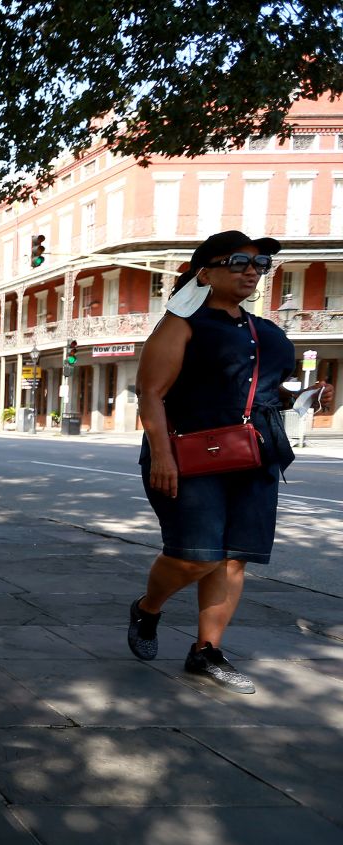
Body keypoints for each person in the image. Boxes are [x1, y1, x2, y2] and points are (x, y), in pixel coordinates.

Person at [128, 230, 334, 693]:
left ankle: (206, 651)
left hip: (256, 454)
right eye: (238, 261)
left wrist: (306, 396)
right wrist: (161, 454)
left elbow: (265, 393)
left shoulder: (268, 332)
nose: (251, 270)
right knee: (193, 557)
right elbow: (151, 393)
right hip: (188, 455)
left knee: (234, 559)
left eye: (259, 265)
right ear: (205, 272)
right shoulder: (181, 325)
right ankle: (148, 609)